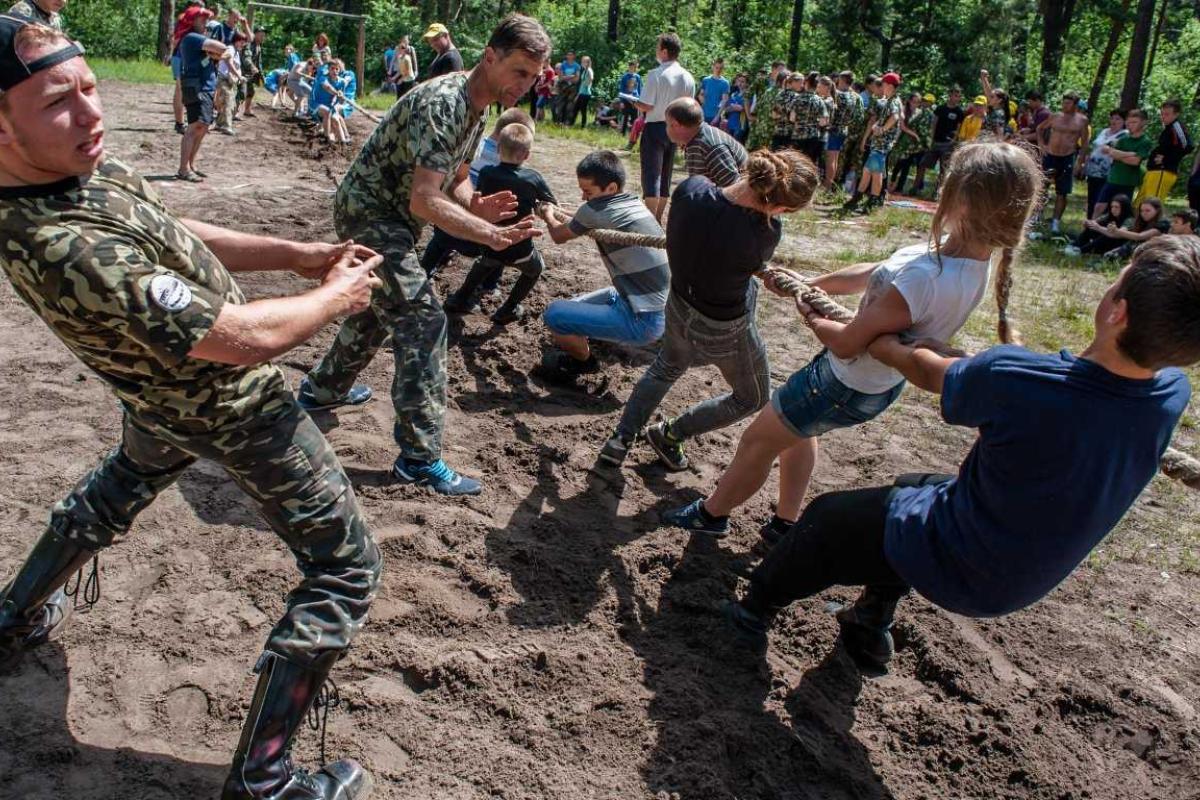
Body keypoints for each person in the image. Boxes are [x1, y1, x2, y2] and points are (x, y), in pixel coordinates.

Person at [0, 18, 385, 798]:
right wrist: (334, 295)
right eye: (57, 101)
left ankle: (11, 616)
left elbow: (172, 230)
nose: (91, 112)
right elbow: (241, 340)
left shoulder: (77, 170)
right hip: (229, 404)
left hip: (158, 399)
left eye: (89, 87)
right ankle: (265, 778)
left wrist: (300, 254)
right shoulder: (57, 238)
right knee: (345, 566)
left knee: (116, 490)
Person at [724, 236, 1200, 673]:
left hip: (958, 554)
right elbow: (1059, 393)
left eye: (1117, 278)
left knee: (828, 519)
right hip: (1027, 573)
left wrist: (886, 343)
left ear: (1118, 312)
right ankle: (870, 623)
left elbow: (928, 373)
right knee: (912, 486)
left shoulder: (1018, 376)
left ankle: (750, 611)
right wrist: (961, 357)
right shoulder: (1170, 394)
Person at [662, 141, 1040, 539]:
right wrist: (809, 285)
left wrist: (809, 312)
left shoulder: (928, 276)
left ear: (958, 199)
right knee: (797, 431)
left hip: (842, 382)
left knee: (758, 441)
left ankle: (710, 516)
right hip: (865, 382)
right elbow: (874, 272)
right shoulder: (963, 259)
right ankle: (784, 523)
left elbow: (847, 342)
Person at [299, 14, 551, 497]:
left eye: (534, 78)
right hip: (371, 215)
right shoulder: (445, 103)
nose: (526, 86)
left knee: (379, 308)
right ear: (490, 57)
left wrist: (474, 201)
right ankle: (419, 458)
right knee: (424, 319)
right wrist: (488, 234)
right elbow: (424, 199)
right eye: (519, 72)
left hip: (390, 219)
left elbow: (452, 174)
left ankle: (322, 390)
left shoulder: (477, 106)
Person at [598, 150, 819, 469]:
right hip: (724, 328)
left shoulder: (690, 190)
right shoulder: (765, 234)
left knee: (665, 367)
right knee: (752, 397)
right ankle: (670, 434)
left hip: (679, 303)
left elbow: (721, 205)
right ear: (780, 207)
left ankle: (620, 440)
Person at [537, 150, 671, 381]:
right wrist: (566, 210)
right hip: (647, 305)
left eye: (587, 192)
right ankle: (595, 334)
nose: (582, 198)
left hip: (642, 321)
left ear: (610, 188)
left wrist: (548, 214)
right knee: (572, 307)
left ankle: (584, 363)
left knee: (554, 315)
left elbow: (559, 235)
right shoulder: (632, 202)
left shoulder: (595, 211)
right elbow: (586, 218)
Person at [443, 123, 556, 324]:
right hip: (519, 247)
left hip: (490, 239)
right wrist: (537, 204)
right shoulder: (533, 178)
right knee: (536, 269)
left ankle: (459, 298)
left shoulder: (487, 173)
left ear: (497, 149)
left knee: (486, 261)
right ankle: (508, 308)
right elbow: (550, 202)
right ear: (527, 155)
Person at [630, 32, 694, 223]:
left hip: (656, 126)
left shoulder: (656, 74)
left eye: (658, 48)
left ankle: (650, 221)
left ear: (664, 52)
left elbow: (647, 105)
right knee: (666, 174)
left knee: (652, 174)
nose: (656, 51)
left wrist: (635, 103)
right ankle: (657, 218)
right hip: (677, 129)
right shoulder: (688, 77)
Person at [177, 8, 230, 181]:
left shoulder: (197, 39)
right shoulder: (193, 37)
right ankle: (184, 169)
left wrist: (218, 54)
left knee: (203, 127)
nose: (206, 23)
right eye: (202, 20)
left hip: (204, 88)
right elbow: (223, 48)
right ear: (192, 21)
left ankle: (191, 165)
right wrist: (222, 52)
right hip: (197, 88)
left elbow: (218, 54)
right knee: (194, 128)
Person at [1033, 90, 1090, 234]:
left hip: (1067, 156)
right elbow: (1040, 128)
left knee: (1062, 192)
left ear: (1075, 104)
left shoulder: (1082, 120)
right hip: (1050, 155)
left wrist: (1080, 162)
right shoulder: (1056, 116)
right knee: (1042, 187)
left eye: (1068, 103)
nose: (1065, 105)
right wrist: (1041, 145)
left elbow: (1084, 143)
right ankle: (1036, 216)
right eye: (1063, 102)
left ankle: (1055, 222)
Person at [844, 71, 902, 214]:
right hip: (878, 143)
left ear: (888, 85)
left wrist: (882, 129)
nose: (881, 85)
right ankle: (858, 198)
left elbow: (895, 117)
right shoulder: (889, 100)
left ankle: (871, 202)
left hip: (882, 144)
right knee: (867, 171)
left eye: (883, 83)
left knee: (875, 173)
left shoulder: (893, 101)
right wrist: (878, 126)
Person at [665, 96, 748, 188]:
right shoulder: (694, 140)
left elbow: (736, 189)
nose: (666, 129)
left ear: (676, 125)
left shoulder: (711, 146)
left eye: (667, 124)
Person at [1093, 108, 1152, 219]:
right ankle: (1090, 230)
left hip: (1127, 182)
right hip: (1113, 178)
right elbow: (1111, 153)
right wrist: (1129, 154)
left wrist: (1117, 154)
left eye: (1134, 122)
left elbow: (1135, 162)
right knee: (1099, 207)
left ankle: (1117, 233)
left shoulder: (1145, 141)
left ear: (1143, 123)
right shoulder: (1123, 139)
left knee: (1121, 210)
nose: (1130, 125)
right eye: (1128, 122)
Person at [1135, 99, 1193, 206]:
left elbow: (1188, 146)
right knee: (1139, 204)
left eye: (1167, 114)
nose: (1163, 117)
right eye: (1162, 114)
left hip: (1163, 171)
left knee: (1151, 206)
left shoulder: (1176, 126)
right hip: (1154, 171)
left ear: (1176, 114)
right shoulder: (1168, 128)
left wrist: (1166, 159)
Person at [1077, 109, 1127, 218]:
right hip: (1093, 170)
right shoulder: (1104, 131)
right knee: (1091, 200)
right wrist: (1085, 164)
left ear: (1124, 121)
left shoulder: (1124, 135)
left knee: (1101, 201)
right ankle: (1089, 225)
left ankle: (1099, 226)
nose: (1114, 121)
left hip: (1108, 173)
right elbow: (1094, 148)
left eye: (1118, 119)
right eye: (1112, 118)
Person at [918, 85, 965, 191]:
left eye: (958, 96)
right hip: (935, 141)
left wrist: (954, 141)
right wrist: (931, 138)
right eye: (955, 95)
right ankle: (916, 187)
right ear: (950, 96)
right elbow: (934, 124)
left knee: (943, 169)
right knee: (922, 164)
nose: (957, 98)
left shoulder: (959, 112)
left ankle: (937, 192)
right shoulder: (940, 108)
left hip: (948, 144)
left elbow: (958, 128)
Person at [825, 70, 863, 192]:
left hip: (833, 129)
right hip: (843, 130)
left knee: (831, 159)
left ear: (841, 80)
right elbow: (857, 117)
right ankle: (831, 184)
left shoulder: (837, 94)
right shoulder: (854, 96)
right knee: (835, 159)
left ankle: (827, 186)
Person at [1064, 194, 1134, 257]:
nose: (1113, 209)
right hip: (1107, 240)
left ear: (1124, 208)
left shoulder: (1129, 220)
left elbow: (1119, 234)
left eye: (1116, 207)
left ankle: (1081, 251)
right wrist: (1088, 223)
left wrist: (1099, 228)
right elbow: (1095, 222)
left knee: (1105, 236)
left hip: (1118, 244)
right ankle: (1075, 245)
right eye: (1112, 207)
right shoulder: (1110, 215)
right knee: (1091, 228)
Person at [888, 90, 930, 194]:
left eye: (918, 102)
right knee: (898, 165)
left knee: (906, 166)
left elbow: (921, 128)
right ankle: (892, 182)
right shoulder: (903, 110)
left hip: (912, 145)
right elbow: (902, 127)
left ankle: (899, 188)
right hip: (902, 142)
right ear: (909, 101)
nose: (915, 104)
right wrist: (914, 134)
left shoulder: (920, 113)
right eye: (914, 101)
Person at [747, 60, 786, 152]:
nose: (782, 73)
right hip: (760, 120)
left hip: (773, 124)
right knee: (755, 148)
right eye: (780, 70)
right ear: (773, 69)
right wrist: (749, 114)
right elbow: (747, 96)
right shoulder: (762, 80)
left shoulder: (783, 87)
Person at [790, 72, 828, 166]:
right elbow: (823, 122)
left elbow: (792, 118)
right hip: (813, 136)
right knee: (809, 163)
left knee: (796, 162)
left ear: (806, 84)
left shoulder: (797, 98)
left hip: (798, 135)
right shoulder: (819, 101)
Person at [213, 33, 246, 136]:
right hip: (224, 79)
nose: (243, 44)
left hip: (230, 81)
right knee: (228, 102)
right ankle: (227, 126)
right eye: (241, 41)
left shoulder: (236, 52)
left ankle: (219, 124)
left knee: (230, 103)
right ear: (236, 40)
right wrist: (239, 76)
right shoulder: (231, 49)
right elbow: (229, 63)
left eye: (244, 42)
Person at [311, 58, 352, 143]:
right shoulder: (323, 78)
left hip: (329, 105)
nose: (334, 71)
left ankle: (343, 142)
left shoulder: (342, 82)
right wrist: (337, 93)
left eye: (336, 69)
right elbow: (327, 87)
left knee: (336, 119)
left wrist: (341, 96)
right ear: (328, 70)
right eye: (332, 68)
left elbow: (341, 102)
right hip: (315, 103)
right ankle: (327, 137)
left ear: (340, 70)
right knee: (327, 112)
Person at [768, 71, 799, 151]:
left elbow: (774, 115)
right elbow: (793, 118)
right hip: (789, 133)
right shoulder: (796, 96)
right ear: (793, 82)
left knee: (775, 156)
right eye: (800, 83)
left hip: (778, 130)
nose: (802, 85)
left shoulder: (780, 94)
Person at [239, 25, 265, 118]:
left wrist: (261, 74)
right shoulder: (250, 44)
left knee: (251, 92)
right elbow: (246, 59)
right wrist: (253, 67)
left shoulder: (259, 46)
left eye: (264, 35)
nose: (263, 37)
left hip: (251, 73)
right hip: (242, 71)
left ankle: (247, 110)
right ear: (255, 34)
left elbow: (259, 61)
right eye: (261, 35)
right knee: (241, 92)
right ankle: (236, 112)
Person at [699, 58, 730, 125]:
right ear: (712, 67)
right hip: (703, 114)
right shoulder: (705, 80)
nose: (718, 70)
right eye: (717, 67)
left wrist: (717, 116)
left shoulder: (725, 83)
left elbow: (724, 100)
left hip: (715, 116)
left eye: (721, 68)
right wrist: (702, 99)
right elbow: (701, 94)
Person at [978, 69, 1009, 138]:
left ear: (999, 100)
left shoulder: (999, 113)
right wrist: (984, 79)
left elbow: (1000, 135)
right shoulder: (994, 109)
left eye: (992, 97)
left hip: (989, 145)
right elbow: (988, 93)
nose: (989, 98)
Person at [571, 54, 593, 127]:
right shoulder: (584, 70)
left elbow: (591, 79)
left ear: (588, 62)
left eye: (584, 62)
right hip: (581, 93)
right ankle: (571, 124)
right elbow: (581, 84)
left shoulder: (589, 70)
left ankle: (583, 126)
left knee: (583, 110)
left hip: (586, 94)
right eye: (582, 61)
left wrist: (586, 83)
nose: (582, 63)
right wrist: (578, 94)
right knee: (575, 109)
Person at [725, 73, 748, 142]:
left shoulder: (748, 95)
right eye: (739, 81)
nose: (740, 83)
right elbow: (726, 109)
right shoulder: (733, 94)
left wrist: (734, 107)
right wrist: (734, 107)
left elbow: (744, 109)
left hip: (741, 125)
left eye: (742, 82)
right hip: (730, 124)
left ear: (747, 83)